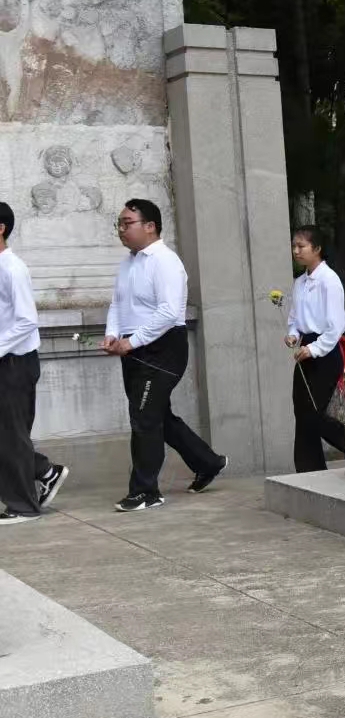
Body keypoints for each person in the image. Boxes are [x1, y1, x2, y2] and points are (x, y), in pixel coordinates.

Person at [103, 199, 227, 512]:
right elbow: (117, 304)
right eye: (119, 224)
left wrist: (132, 342)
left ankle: (145, 491)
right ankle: (208, 462)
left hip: (163, 350)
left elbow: (169, 312)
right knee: (157, 415)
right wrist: (113, 334)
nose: (121, 229)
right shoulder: (128, 263)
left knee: (144, 418)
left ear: (150, 226)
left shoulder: (165, 261)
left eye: (127, 223)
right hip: (133, 347)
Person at [0, 202, 68, 524]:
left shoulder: (13, 268)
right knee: (7, 435)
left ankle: (24, 506)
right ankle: (44, 470)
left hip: (15, 363)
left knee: (11, 435)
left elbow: (27, 320)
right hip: (5, 359)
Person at [285, 226, 345, 473]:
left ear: (317, 248)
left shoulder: (329, 281)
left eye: (301, 246)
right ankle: (308, 471)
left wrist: (313, 349)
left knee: (312, 413)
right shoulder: (299, 283)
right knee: (301, 412)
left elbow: (337, 326)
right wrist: (293, 334)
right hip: (305, 350)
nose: (296, 251)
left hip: (325, 353)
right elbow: (294, 318)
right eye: (294, 246)